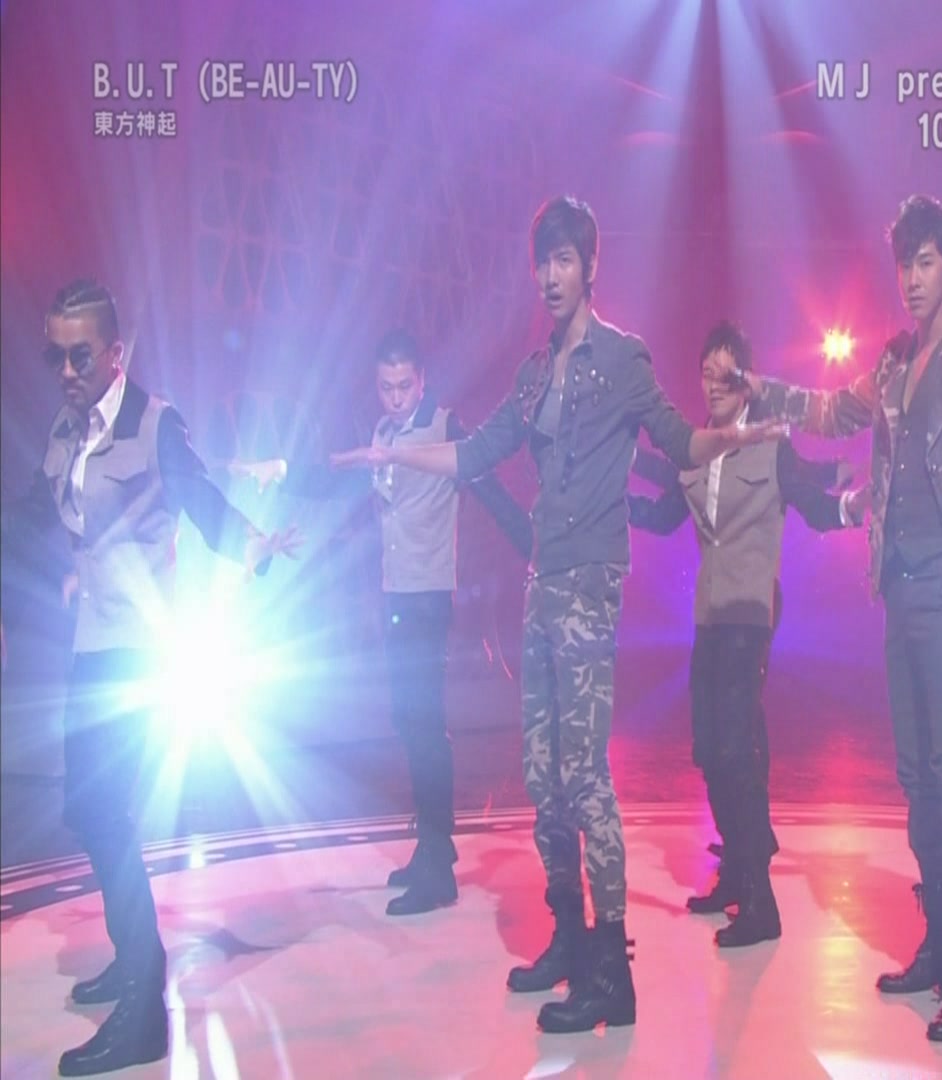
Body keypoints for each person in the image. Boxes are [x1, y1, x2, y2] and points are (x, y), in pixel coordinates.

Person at [331, 196, 783, 1033]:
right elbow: (477, 451)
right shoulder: (535, 372)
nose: (549, 275)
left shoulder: (622, 358)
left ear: (590, 267)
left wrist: (732, 439)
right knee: (542, 777)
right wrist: (394, 452)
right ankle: (569, 938)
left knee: (584, 777)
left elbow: (677, 439)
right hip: (543, 583)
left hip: (589, 583)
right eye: (542, 260)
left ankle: (611, 971)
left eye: (564, 259)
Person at [743, 194, 942, 1042]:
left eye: (925, 263)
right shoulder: (890, 366)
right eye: (904, 265)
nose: (912, 279)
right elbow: (828, 412)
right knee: (917, 779)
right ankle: (938, 946)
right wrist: (763, 390)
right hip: (901, 591)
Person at [1, 279, 299, 1077]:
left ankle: (142, 1005)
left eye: (80, 355)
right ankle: (135, 960)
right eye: (55, 356)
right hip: (92, 645)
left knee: (100, 811)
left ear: (114, 353)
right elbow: (31, 515)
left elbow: (201, 499)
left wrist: (254, 546)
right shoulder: (67, 430)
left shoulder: (154, 422)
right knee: (92, 810)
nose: (66, 371)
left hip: (139, 648)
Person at [235, 328, 532, 916]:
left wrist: (535, 545)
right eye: (386, 387)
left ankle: (439, 863)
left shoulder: (445, 426)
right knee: (408, 721)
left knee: (425, 723)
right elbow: (340, 475)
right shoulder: (383, 433)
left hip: (429, 595)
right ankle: (430, 848)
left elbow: (489, 487)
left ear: (421, 380)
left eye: (403, 386)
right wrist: (283, 472)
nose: (395, 397)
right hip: (396, 592)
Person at [627, 319, 859, 948]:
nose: (715, 385)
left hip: (751, 614)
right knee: (709, 750)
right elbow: (662, 515)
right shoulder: (696, 450)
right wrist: (607, 503)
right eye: (707, 374)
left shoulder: (771, 448)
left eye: (727, 376)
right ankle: (735, 868)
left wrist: (855, 505)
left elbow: (814, 502)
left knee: (735, 750)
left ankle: (761, 902)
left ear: (746, 383)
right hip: (708, 615)